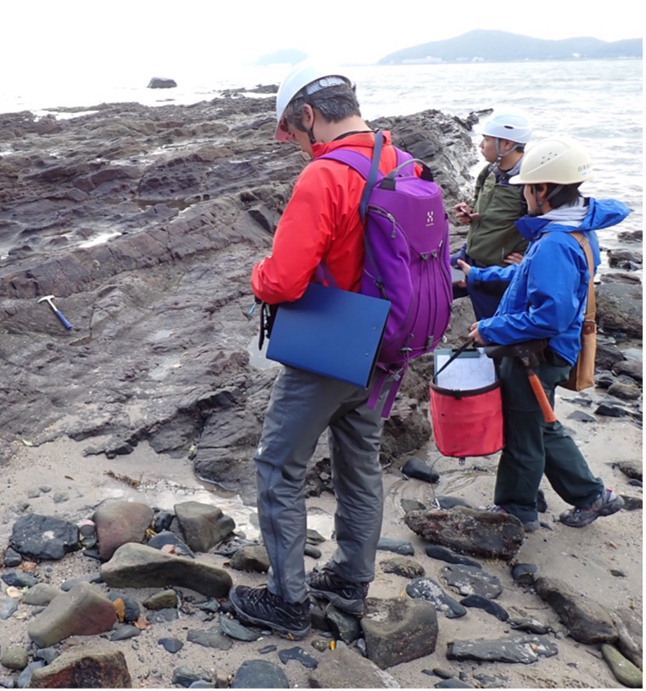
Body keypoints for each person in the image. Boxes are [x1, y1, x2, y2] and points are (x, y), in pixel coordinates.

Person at [228, 61, 409, 636]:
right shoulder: (400, 161)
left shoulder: (325, 176)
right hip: (388, 345)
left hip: (331, 349)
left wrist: (257, 273)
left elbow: (282, 281)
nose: (293, 144)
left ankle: (287, 603)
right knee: (360, 466)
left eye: (290, 131)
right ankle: (351, 581)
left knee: (278, 466)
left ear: (308, 115)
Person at [460, 137, 628, 532]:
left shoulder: (554, 241)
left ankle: (516, 510)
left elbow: (549, 315)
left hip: (537, 353)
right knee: (540, 423)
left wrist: (490, 327)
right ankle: (591, 495)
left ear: (544, 190)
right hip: (548, 348)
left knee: (523, 434)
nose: (524, 198)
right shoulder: (574, 227)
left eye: (527, 190)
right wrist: (481, 276)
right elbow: (528, 277)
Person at [451, 112, 533, 320]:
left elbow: (545, 225)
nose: (480, 145)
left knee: (492, 334)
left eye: (486, 140)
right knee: (426, 281)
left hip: (499, 270)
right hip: (469, 255)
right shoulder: (489, 171)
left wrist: (529, 262)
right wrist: (469, 215)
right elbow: (479, 205)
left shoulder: (530, 182)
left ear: (506, 145)